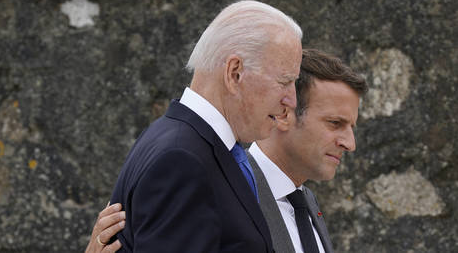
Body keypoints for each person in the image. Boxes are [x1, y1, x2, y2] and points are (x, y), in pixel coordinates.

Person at [86, 49, 368, 253]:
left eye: (351, 127)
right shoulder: (211, 185)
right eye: (335, 123)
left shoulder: (305, 202)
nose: (349, 143)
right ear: (284, 113)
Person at [96, 0, 303, 253]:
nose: (291, 101)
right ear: (235, 73)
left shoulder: (180, 141)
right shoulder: (181, 160)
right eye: (284, 81)